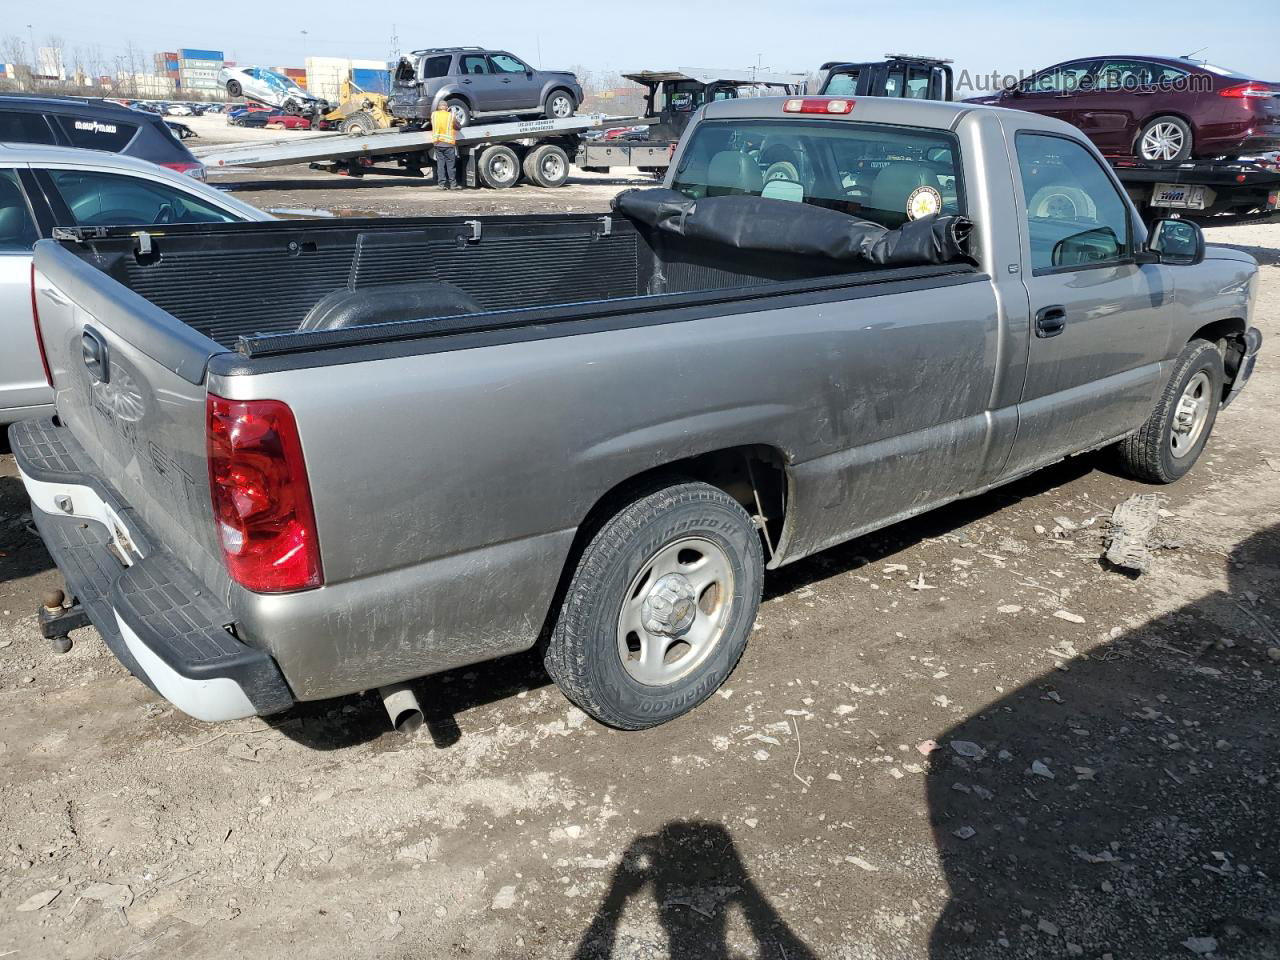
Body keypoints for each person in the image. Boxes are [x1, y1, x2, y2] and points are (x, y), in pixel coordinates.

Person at [431, 102, 458, 190]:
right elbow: (458, 126)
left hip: (438, 143)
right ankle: (453, 185)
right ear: (446, 107)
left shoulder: (434, 115)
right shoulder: (450, 116)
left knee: (440, 165)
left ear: (438, 107)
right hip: (448, 144)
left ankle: (441, 185)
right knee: (450, 165)